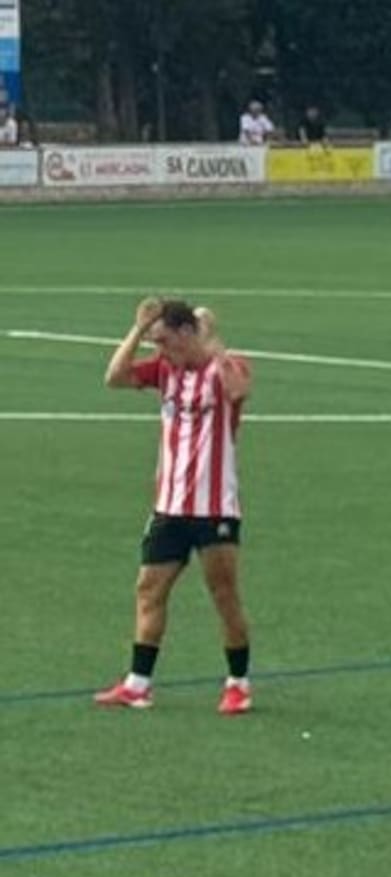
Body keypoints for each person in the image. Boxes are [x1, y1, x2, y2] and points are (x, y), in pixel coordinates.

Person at [93, 298, 255, 715]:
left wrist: (212, 339)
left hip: (214, 507)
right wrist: (137, 329)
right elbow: (114, 377)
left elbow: (239, 390)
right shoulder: (165, 370)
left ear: (188, 333)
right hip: (170, 508)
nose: (160, 349)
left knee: (223, 594)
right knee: (149, 589)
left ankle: (238, 682)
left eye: (165, 340)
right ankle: (138, 683)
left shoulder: (225, 366)